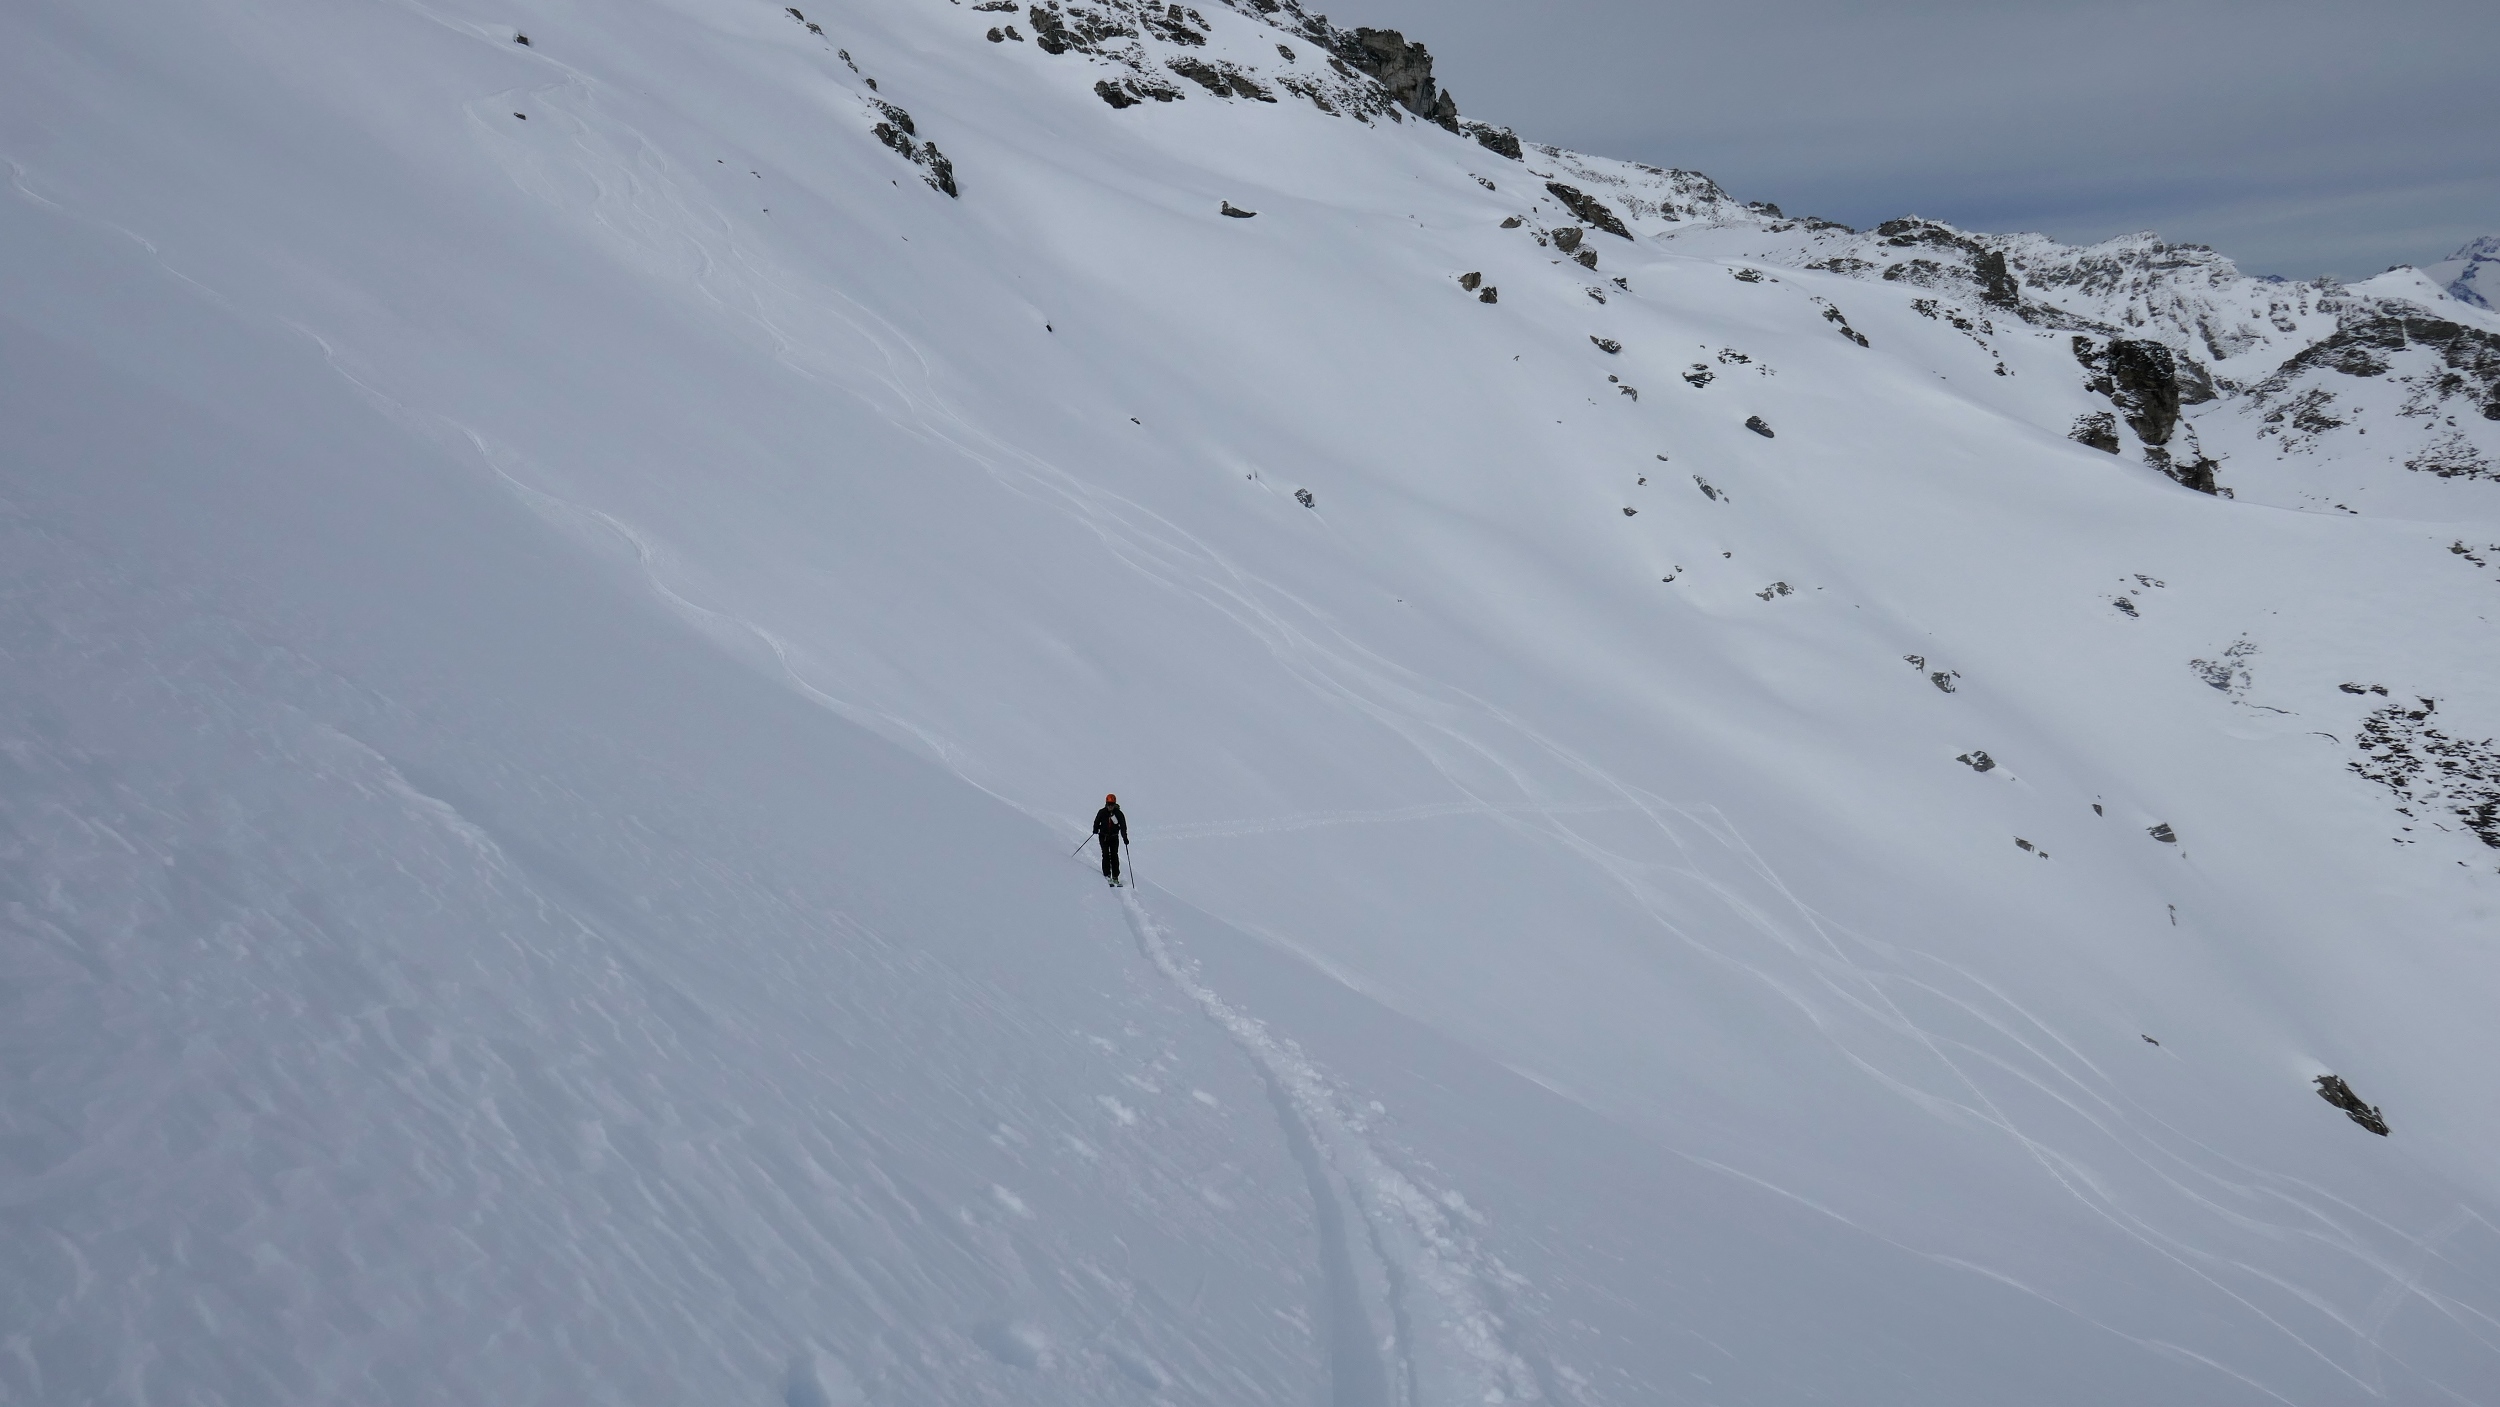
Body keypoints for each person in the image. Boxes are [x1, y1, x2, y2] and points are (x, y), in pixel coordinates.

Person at [1092, 793, 1129, 887]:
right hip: (1103, 836)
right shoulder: (1102, 812)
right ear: (1106, 803)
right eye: (1109, 804)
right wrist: (1095, 829)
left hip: (1114, 837)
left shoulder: (1119, 814)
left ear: (1115, 804)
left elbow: (1123, 826)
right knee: (1105, 854)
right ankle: (1107, 874)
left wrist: (1125, 837)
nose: (1110, 806)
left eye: (1112, 804)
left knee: (1114, 856)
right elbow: (1097, 821)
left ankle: (1115, 876)